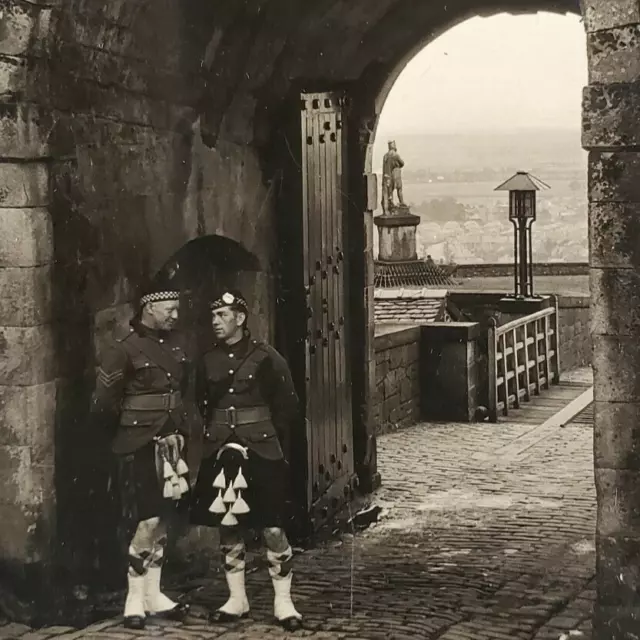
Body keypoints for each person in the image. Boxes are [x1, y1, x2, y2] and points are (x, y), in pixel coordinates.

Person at [91, 275, 201, 630]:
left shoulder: (178, 346)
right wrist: (123, 438)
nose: (174, 315)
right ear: (149, 308)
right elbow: (104, 404)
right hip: (140, 444)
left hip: (173, 443)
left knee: (165, 516)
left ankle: (153, 593)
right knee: (148, 518)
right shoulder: (123, 349)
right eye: (168, 309)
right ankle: (134, 596)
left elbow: (183, 392)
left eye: (177, 309)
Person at [190, 289, 303, 632]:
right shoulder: (206, 361)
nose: (215, 323)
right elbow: (198, 403)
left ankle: (284, 602)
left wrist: (264, 436)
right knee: (228, 524)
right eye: (213, 318)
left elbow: (288, 406)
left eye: (222, 316)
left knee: (271, 526)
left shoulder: (267, 358)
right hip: (221, 449)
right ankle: (236, 599)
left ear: (240, 319)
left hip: (261, 450)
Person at [381, 139, 405, 213]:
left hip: (385, 176)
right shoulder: (395, 155)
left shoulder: (385, 156)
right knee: (398, 189)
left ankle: (386, 210)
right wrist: (396, 165)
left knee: (387, 194)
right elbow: (402, 163)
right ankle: (401, 203)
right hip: (392, 176)